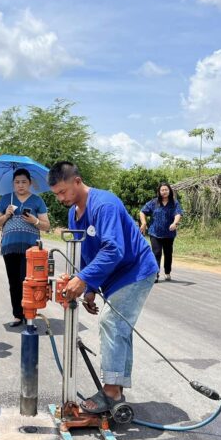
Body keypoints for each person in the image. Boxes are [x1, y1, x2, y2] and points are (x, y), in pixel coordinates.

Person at [48, 161, 158, 413]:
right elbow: (85, 253)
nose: (60, 198)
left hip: (135, 271)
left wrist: (85, 279)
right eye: (56, 194)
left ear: (77, 181)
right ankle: (117, 390)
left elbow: (113, 249)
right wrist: (88, 289)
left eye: (63, 191)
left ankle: (111, 392)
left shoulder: (104, 204)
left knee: (112, 322)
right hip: (112, 277)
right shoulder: (73, 212)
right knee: (120, 328)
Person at [0, 168, 50, 327]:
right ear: (13, 184)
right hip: (10, 247)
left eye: (24, 182)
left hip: (31, 250)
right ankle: (18, 315)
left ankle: (30, 314)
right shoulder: (5, 200)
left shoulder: (37, 201)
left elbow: (46, 225)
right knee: (14, 282)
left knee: (30, 282)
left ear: (30, 183)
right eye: (17, 182)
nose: (20, 185)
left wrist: (34, 221)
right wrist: (6, 214)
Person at [139, 182, 183, 282]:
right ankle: (155, 274)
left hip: (169, 233)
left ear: (169, 191)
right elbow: (142, 211)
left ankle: (167, 272)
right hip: (155, 233)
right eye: (162, 190)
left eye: (166, 190)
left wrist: (175, 223)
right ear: (159, 192)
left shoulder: (174, 202)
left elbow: (178, 213)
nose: (164, 192)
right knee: (156, 253)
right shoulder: (154, 202)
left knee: (168, 253)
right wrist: (144, 223)